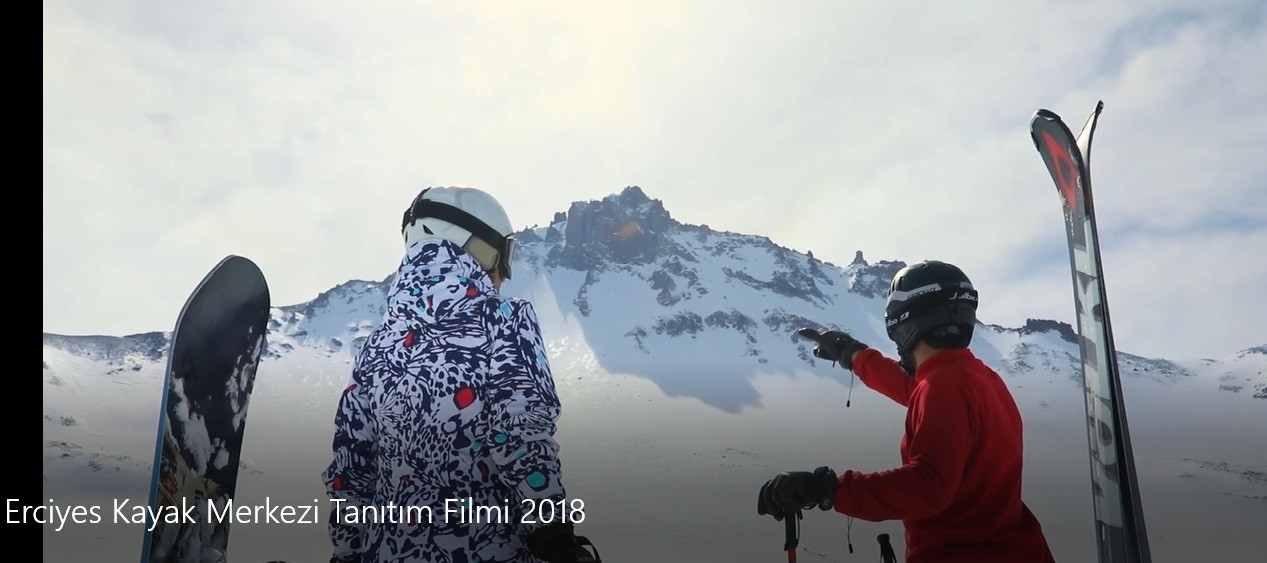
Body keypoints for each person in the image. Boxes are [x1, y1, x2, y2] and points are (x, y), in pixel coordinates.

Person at [322, 186, 597, 563]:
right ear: (479, 247)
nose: (503, 273)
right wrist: (554, 536)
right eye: (504, 254)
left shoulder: (377, 345)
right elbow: (519, 437)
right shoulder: (503, 321)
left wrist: (347, 550)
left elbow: (352, 465)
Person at [756, 260, 1055, 563]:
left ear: (903, 325)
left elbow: (928, 487)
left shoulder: (941, 387)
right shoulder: (981, 378)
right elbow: (912, 389)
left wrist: (827, 489)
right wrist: (853, 355)